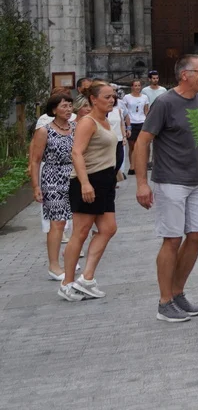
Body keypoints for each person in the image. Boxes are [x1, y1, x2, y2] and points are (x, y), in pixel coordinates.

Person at [134, 55, 198, 321]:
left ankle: (177, 292)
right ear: (185, 75)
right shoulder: (164, 102)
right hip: (170, 180)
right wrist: (141, 183)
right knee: (172, 239)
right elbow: (142, 142)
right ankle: (165, 302)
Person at [59, 82, 122, 301]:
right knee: (81, 232)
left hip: (105, 180)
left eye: (113, 96)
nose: (111, 100)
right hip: (88, 180)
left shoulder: (105, 120)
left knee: (108, 228)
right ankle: (67, 283)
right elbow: (76, 153)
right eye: (107, 97)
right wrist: (85, 183)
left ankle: (86, 279)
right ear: (93, 99)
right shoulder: (87, 122)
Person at [28, 91, 76, 281]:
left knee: (77, 220)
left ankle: (70, 257)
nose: (68, 109)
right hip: (53, 177)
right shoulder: (44, 130)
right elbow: (35, 160)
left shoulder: (76, 127)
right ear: (54, 109)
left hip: (74, 175)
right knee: (57, 222)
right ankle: (54, 265)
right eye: (64, 106)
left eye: (70, 105)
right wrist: (36, 186)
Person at [120, 80, 148, 174]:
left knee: (140, 145)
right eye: (135, 85)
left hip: (142, 122)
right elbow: (124, 111)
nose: (137, 87)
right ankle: (132, 166)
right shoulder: (127, 97)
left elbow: (146, 111)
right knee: (132, 145)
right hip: (131, 122)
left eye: (139, 85)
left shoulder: (144, 97)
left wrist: (148, 122)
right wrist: (126, 124)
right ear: (132, 87)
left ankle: (140, 165)